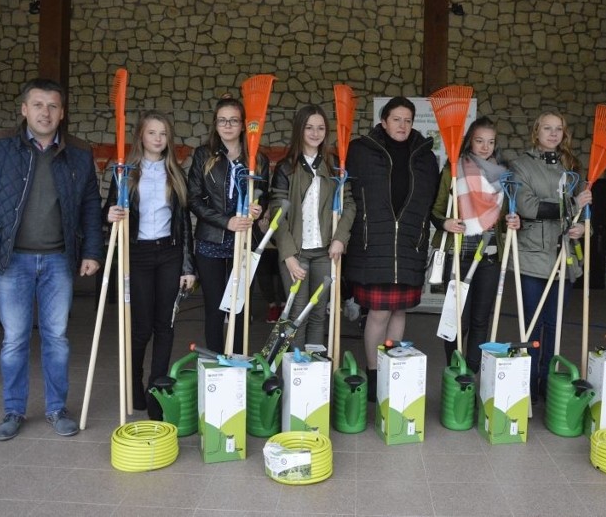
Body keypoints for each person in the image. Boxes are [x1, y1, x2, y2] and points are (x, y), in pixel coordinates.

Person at [0, 78, 103, 440]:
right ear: (24, 109)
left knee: (57, 337)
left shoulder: (79, 154)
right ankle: (13, 410)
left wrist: (91, 251)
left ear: (62, 113)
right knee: (15, 339)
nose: (45, 112)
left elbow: (89, 205)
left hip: (58, 260)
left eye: (53, 106)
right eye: (38, 105)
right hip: (13, 260)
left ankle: (57, 409)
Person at [345, 96, 439, 400]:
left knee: (399, 310)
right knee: (379, 311)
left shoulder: (425, 157)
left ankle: (391, 367)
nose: (402, 125)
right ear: (383, 121)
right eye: (396, 119)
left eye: (408, 120)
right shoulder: (362, 151)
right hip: (375, 242)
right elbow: (347, 192)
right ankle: (374, 373)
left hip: (410, 243)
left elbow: (433, 199)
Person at [104, 110, 196, 418]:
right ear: (140, 136)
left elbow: (184, 225)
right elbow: (108, 212)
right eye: (152, 133)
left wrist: (187, 266)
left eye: (163, 134)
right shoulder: (125, 172)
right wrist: (111, 215)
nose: (158, 138)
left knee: (165, 325)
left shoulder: (176, 174)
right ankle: (133, 384)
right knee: (141, 328)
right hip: (137, 256)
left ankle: (157, 388)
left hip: (169, 254)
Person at [510, 110, 591, 402]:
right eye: (547, 128)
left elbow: (583, 214)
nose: (553, 134)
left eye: (558, 129)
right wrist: (570, 204)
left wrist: (582, 228)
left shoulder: (572, 167)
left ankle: (547, 382)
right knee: (532, 324)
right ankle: (527, 385)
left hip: (565, 257)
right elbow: (528, 207)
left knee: (554, 325)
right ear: (536, 131)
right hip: (533, 255)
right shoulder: (521, 166)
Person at [430, 116, 520, 372]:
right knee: (458, 320)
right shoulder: (453, 168)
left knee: (481, 320)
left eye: (490, 142)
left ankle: (472, 372)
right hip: (459, 254)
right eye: (480, 141)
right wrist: (445, 222)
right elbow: (436, 210)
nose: (485, 147)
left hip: (490, 256)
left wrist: (512, 221)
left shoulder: (503, 175)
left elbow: (505, 218)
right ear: (470, 140)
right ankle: (454, 369)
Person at [271, 105, 356, 348]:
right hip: (296, 252)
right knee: (298, 314)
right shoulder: (287, 167)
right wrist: (287, 255)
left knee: (319, 313)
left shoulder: (335, 167)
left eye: (320, 128)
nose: (315, 133)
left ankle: (312, 370)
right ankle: (294, 371)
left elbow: (349, 205)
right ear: (300, 130)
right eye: (309, 127)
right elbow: (278, 212)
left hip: (324, 251)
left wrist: (340, 238)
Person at [188, 96, 267, 354]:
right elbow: (194, 199)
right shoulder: (203, 154)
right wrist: (227, 221)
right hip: (211, 239)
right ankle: (215, 361)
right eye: (222, 120)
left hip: (244, 240)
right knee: (213, 306)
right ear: (215, 124)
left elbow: (262, 194)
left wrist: (258, 207)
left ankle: (237, 361)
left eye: (234, 120)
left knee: (240, 306)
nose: (228, 125)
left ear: (244, 125)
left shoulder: (257, 158)